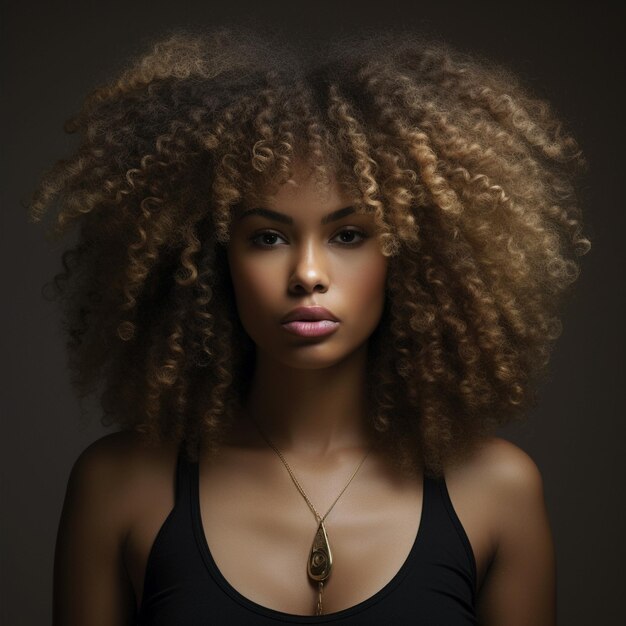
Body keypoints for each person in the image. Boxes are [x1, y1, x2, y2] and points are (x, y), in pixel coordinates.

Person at [30, 25, 590, 625]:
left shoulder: (496, 491)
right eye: (267, 237)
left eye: (349, 235)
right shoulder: (119, 485)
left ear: (413, 255)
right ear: (211, 258)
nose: (308, 274)